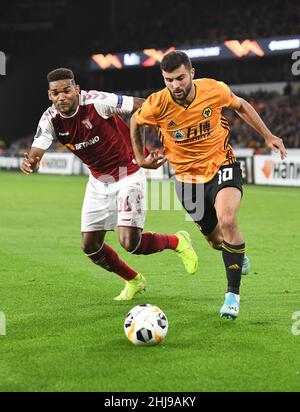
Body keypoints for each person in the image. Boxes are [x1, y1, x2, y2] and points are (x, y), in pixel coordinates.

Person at [130, 51, 287, 319]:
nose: (175, 85)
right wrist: (140, 158)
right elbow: (135, 120)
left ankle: (232, 296)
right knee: (216, 242)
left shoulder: (214, 90)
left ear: (192, 73)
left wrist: (268, 135)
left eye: (180, 78)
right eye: (169, 80)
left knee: (228, 221)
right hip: (186, 180)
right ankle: (235, 253)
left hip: (222, 166)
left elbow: (241, 106)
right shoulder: (157, 104)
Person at [20, 67, 198, 301]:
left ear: (77, 89)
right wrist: (31, 163)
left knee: (130, 243)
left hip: (128, 173)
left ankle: (177, 241)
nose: (61, 97)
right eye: (55, 93)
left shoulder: (98, 102)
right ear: (49, 95)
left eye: (66, 91)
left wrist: (164, 135)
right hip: (98, 181)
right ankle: (134, 280)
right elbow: (36, 153)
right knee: (90, 246)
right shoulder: (50, 119)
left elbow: (142, 106)